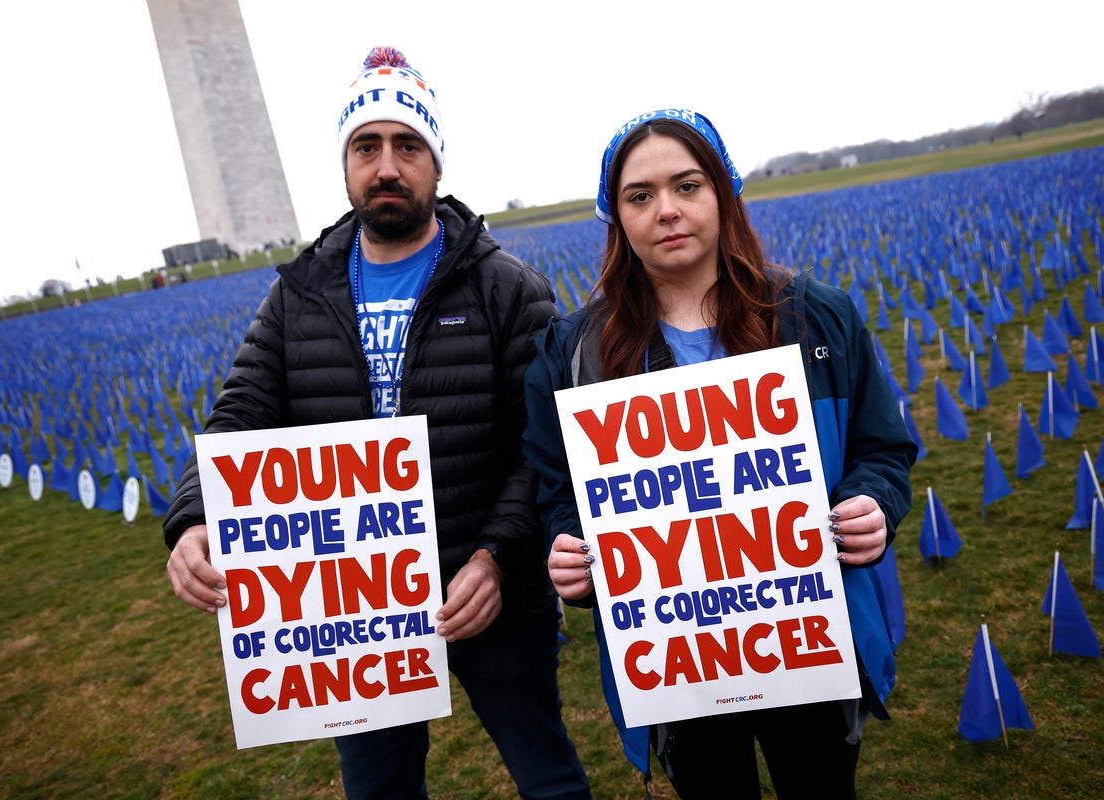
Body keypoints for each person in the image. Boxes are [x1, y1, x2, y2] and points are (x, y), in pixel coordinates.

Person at [163, 46, 591, 800]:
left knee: (547, 778)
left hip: (488, 592)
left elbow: (544, 446)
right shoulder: (298, 296)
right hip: (355, 607)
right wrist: (196, 515)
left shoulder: (507, 287)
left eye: (407, 146)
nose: (386, 166)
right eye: (366, 147)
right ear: (345, 164)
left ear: (436, 164)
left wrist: (496, 556)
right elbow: (240, 415)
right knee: (379, 790)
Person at [522, 108, 917, 799]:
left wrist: (874, 504)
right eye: (640, 196)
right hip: (679, 666)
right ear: (616, 219)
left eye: (687, 186)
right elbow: (559, 492)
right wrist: (568, 546)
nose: (666, 210)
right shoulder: (574, 354)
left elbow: (881, 446)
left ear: (724, 193)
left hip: (809, 640)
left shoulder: (815, 316)